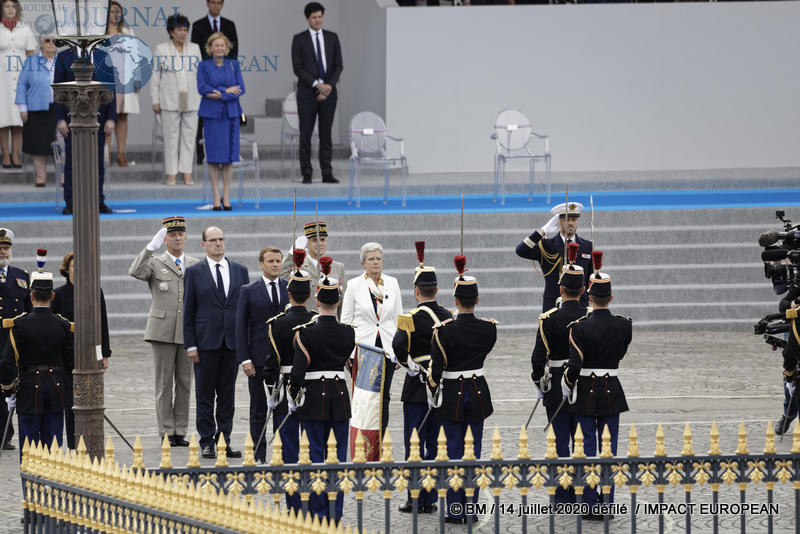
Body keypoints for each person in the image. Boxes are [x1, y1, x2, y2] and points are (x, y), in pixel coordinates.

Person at [561, 251, 632, 520]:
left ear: (588, 296)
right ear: (611, 297)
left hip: (586, 391)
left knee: (587, 446)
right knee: (608, 448)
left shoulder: (578, 327)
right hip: (612, 388)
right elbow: (620, 354)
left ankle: (591, 503)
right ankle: (607, 502)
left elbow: (574, 365)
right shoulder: (624, 326)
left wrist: (567, 384)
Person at [428, 255, 497, 525]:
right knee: (473, 452)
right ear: (476, 300)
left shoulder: (442, 331)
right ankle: (471, 506)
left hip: (452, 392)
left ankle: (454, 508)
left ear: (455, 300)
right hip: (477, 390)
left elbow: (436, 369)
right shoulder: (489, 330)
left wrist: (432, 387)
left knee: (452, 450)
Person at [287, 257, 354, 522]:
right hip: (339, 397)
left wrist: (293, 397)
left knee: (315, 456)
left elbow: (297, 372)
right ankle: (334, 513)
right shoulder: (348, 333)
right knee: (336, 458)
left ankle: (316, 513)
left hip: (313, 398)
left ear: (317, 302)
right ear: (337, 301)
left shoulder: (304, 332)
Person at [128, 216, 199, 447]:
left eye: (180, 234)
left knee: (185, 382)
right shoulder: (156, 263)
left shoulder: (195, 263)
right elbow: (135, 271)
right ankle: (166, 431)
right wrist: (150, 248)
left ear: (186, 237)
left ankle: (180, 430)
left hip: (186, 331)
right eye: (172, 235)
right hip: (162, 329)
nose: (177, 238)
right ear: (165, 239)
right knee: (164, 382)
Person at [392, 241, 450, 514]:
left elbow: (398, 346)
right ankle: (433, 497)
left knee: (414, 442)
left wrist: (409, 364)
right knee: (437, 442)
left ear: (416, 291)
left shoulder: (409, 317)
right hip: (443, 386)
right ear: (436, 290)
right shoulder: (449, 316)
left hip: (416, 388)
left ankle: (416, 498)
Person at [183, 226, 249, 459]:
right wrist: (190, 344)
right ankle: (207, 441)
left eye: (221, 239)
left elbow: (244, 311)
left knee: (227, 396)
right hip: (205, 343)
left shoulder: (240, 271)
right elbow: (188, 309)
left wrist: (245, 345)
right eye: (213, 240)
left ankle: (224, 440)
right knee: (205, 395)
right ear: (204, 245)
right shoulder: (194, 272)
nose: (218, 243)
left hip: (231, 343)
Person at [529, 243, 587, 504]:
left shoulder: (549, 319)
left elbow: (537, 358)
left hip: (554, 384)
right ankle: (584, 490)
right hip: (585, 383)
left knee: (560, 440)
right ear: (583, 290)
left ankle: (563, 495)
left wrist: (538, 383)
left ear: (561, 289)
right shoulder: (589, 317)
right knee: (584, 441)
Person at [0, 272, 73, 459]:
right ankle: (52, 486)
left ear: (31, 296)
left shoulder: (19, 325)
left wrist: (9, 391)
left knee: (29, 451)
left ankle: (30, 488)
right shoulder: (63, 325)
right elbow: (70, 361)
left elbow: (8, 362)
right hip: (56, 390)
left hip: (28, 389)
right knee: (53, 448)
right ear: (53, 296)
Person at [264, 250, 316, 509]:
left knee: (289, 449)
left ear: (288, 294)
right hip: (312, 387)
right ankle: (313, 499)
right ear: (309, 295)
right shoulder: (314, 321)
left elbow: (271, 364)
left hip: (284, 390)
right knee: (313, 445)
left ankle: (294, 502)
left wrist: (271, 392)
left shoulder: (276, 324)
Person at [342, 242, 402, 442]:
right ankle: (362, 439)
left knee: (383, 397)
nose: (375, 262)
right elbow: (346, 321)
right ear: (363, 263)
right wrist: (348, 353)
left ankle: (381, 437)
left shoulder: (392, 283)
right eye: (371, 259)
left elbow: (398, 317)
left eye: (378, 258)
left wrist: (399, 351)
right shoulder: (353, 285)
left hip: (387, 347)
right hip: (363, 349)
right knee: (364, 398)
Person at [52, 251, 111, 449]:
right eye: (74, 266)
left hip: (91, 351)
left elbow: (103, 323)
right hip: (67, 355)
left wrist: (105, 353)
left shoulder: (95, 290)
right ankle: (74, 442)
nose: (77, 270)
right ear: (67, 269)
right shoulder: (58, 294)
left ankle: (92, 439)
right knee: (71, 401)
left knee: (92, 398)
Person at [235, 246, 288, 463]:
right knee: (258, 409)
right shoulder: (248, 290)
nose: (275, 264)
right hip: (258, 359)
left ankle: (281, 452)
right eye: (271, 261)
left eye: (278, 261)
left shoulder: (289, 287)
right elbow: (240, 326)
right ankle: (258, 454)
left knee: (282, 409)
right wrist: (244, 358)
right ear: (261, 264)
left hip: (284, 360)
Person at [54, 45, 116, 215]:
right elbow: (58, 90)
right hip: (72, 118)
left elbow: (111, 87)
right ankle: (71, 202)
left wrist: (111, 117)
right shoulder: (63, 56)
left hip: (99, 118)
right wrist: (60, 118)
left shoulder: (104, 56)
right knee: (72, 162)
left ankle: (98, 200)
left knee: (98, 163)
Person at [291, 2, 343, 184]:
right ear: (307, 19)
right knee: (305, 133)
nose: (317, 20)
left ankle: (327, 173)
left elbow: (338, 65)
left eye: (320, 16)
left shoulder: (332, 37)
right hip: (307, 94)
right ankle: (307, 173)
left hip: (329, 93)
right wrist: (317, 85)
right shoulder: (299, 39)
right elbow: (298, 68)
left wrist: (328, 86)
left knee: (326, 134)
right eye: (314, 17)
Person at [151, 13, 201, 186]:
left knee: (189, 136)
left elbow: (200, 74)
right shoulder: (161, 49)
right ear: (171, 32)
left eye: (185, 30)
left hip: (191, 97)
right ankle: (171, 173)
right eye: (179, 30)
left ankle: (186, 172)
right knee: (171, 138)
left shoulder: (194, 48)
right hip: (169, 98)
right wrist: (155, 100)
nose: (183, 33)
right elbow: (155, 76)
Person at [515, 202, 593, 311]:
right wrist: (542, 231)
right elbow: (521, 250)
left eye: (574, 220)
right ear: (558, 221)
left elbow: (590, 277)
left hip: (580, 306)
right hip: (554, 306)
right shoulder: (546, 245)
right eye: (566, 219)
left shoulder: (587, 246)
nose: (570, 223)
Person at [196, 33, 244, 211]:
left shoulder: (234, 65)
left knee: (229, 159)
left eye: (222, 45)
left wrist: (220, 93)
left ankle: (227, 197)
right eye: (216, 45)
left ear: (227, 47)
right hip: (212, 117)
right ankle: (216, 196)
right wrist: (227, 91)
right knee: (215, 158)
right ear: (210, 48)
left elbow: (241, 88)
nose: (219, 48)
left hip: (231, 115)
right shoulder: (203, 65)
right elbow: (202, 89)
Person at [191, 0, 238, 165]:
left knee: (226, 123)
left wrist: (225, 82)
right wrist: (212, 75)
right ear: (207, 3)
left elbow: (234, 54)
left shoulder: (229, 25)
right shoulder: (198, 25)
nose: (216, 6)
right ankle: (200, 156)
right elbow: (197, 53)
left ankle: (225, 157)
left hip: (226, 82)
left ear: (222, 4)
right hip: (207, 80)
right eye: (213, 2)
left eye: (219, 3)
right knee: (203, 121)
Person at [0, 228, 30, 450]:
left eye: (6, 248)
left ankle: (7, 434)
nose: (3, 252)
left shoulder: (21, 276)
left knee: (9, 387)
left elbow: (29, 311)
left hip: (13, 342)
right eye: (0, 248)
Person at [15, 34, 57, 187]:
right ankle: (40, 178)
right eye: (48, 40)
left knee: (63, 146)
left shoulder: (63, 61)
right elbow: (22, 85)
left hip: (59, 110)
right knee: (38, 146)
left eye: (54, 41)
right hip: (36, 108)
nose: (51, 43)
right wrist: (22, 108)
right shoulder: (31, 61)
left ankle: (65, 178)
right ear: (41, 44)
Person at [280, 221, 346, 312]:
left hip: (331, 322)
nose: (320, 243)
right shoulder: (298, 267)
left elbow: (343, 300)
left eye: (322, 240)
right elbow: (281, 275)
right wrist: (291, 255)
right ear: (306, 243)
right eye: (315, 240)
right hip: (308, 323)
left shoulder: (338, 267)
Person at [0, 0, 35, 169]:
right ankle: (5, 155)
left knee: (18, 119)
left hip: (21, 80)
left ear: (17, 9)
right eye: (7, 6)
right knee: (3, 119)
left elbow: (31, 56)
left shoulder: (25, 29)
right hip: (2, 81)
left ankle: (16, 154)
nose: (10, 9)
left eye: (13, 6)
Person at [104, 1, 139, 167]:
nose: (115, 15)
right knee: (107, 116)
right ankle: (106, 154)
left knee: (122, 116)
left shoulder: (128, 32)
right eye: (112, 12)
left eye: (118, 12)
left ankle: (121, 153)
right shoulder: (100, 32)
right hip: (106, 80)